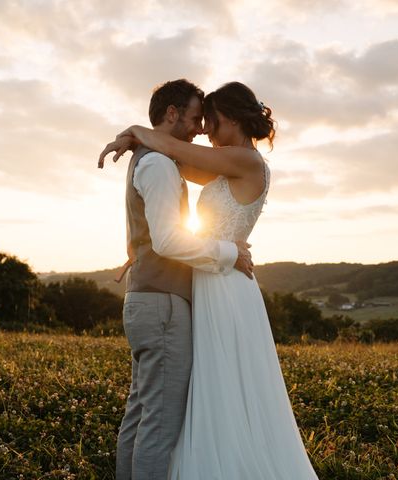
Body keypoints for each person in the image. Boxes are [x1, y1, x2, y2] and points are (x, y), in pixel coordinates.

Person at [99, 81, 319, 479]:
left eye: (212, 122)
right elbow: (169, 161)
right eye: (201, 121)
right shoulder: (221, 165)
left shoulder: (247, 162)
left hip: (227, 284)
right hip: (208, 279)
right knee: (188, 397)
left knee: (221, 390)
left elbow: (176, 151)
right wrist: (132, 137)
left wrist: (134, 131)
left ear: (233, 118)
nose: (206, 131)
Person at [101, 79, 255, 480]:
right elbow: (169, 239)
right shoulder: (157, 164)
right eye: (193, 117)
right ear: (172, 114)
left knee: (140, 413)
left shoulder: (151, 158)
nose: (199, 128)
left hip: (149, 299)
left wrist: (133, 133)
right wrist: (229, 252)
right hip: (163, 305)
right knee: (159, 423)